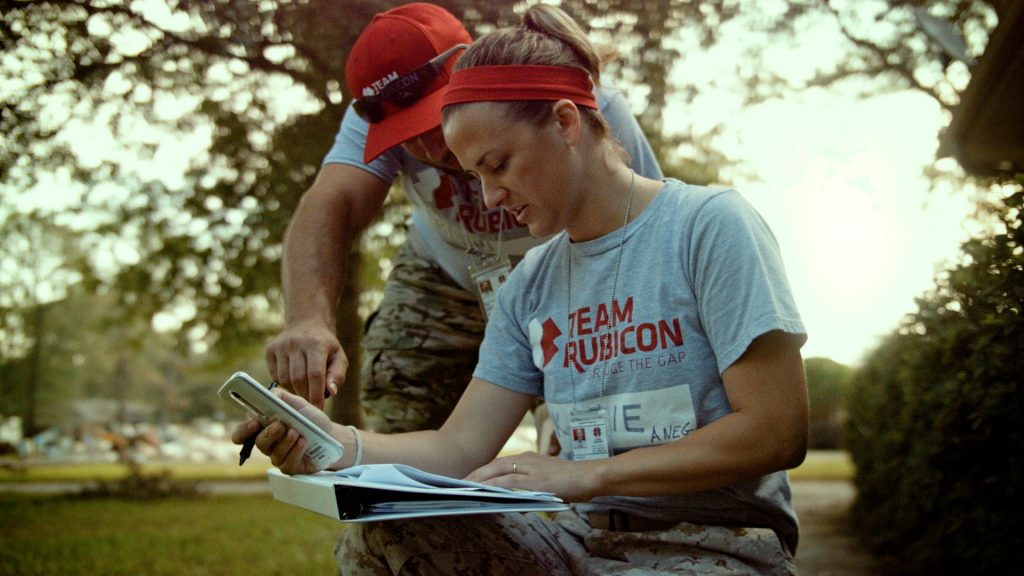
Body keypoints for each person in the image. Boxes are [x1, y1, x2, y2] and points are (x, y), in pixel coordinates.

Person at [235, 4, 808, 574]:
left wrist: (589, 474)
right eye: (474, 174)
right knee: (382, 528)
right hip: (580, 541)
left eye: (498, 165)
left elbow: (776, 432)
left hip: (715, 542)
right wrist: (332, 442)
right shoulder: (528, 285)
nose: (487, 200)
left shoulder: (710, 225)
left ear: (564, 124)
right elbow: (456, 448)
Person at [264, 2, 662, 436]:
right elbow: (329, 202)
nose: (433, 151)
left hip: (572, 281)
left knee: (581, 438)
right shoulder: (376, 111)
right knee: (400, 418)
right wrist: (307, 319)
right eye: (405, 137)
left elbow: (644, 234)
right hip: (445, 277)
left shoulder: (579, 102)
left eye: (432, 120)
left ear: (464, 64)